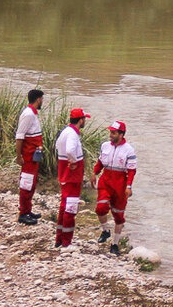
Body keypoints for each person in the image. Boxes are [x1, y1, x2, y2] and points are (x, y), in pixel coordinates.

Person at [91, 120, 137, 255]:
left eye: (113, 133)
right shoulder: (105, 146)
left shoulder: (129, 150)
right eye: (110, 132)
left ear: (121, 134)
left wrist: (129, 186)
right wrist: (94, 173)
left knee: (118, 215)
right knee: (100, 208)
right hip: (105, 181)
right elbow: (100, 162)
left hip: (120, 184)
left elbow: (132, 171)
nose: (110, 135)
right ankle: (105, 230)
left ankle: (115, 244)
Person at [54, 108, 90, 248]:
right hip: (72, 176)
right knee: (71, 207)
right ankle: (66, 242)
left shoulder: (65, 131)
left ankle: (59, 239)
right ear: (80, 120)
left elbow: (58, 147)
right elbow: (69, 150)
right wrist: (73, 161)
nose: (85, 121)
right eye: (84, 119)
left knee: (64, 206)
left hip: (65, 174)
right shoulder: (73, 135)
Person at [14, 89, 44, 226]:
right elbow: (19, 136)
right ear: (38, 99)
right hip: (28, 156)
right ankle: (23, 214)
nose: (42, 101)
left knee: (31, 183)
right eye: (42, 99)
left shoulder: (33, 114)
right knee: (26, 183)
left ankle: (28, 209)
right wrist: (18, 156)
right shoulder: (28, 114)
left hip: (33, 156)